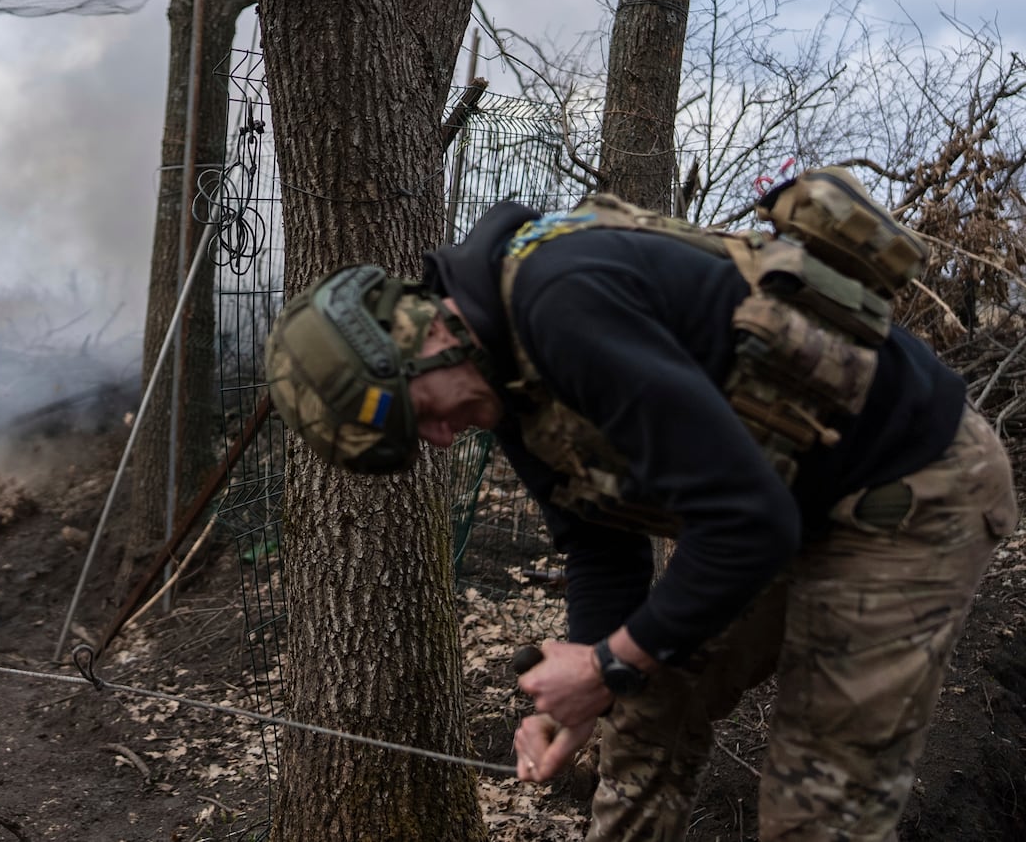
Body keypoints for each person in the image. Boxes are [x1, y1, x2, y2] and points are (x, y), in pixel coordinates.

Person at [263, 182, 1017, 842]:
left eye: (419, 415)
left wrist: (605, 663)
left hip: (911, 488)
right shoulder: (503, 382)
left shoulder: (563, 305)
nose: (437, 437)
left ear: (426, 336)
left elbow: (749, 524)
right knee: (644, 711)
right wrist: (588, 687)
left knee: (820, 805)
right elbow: (600, 543)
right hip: (777, 496)